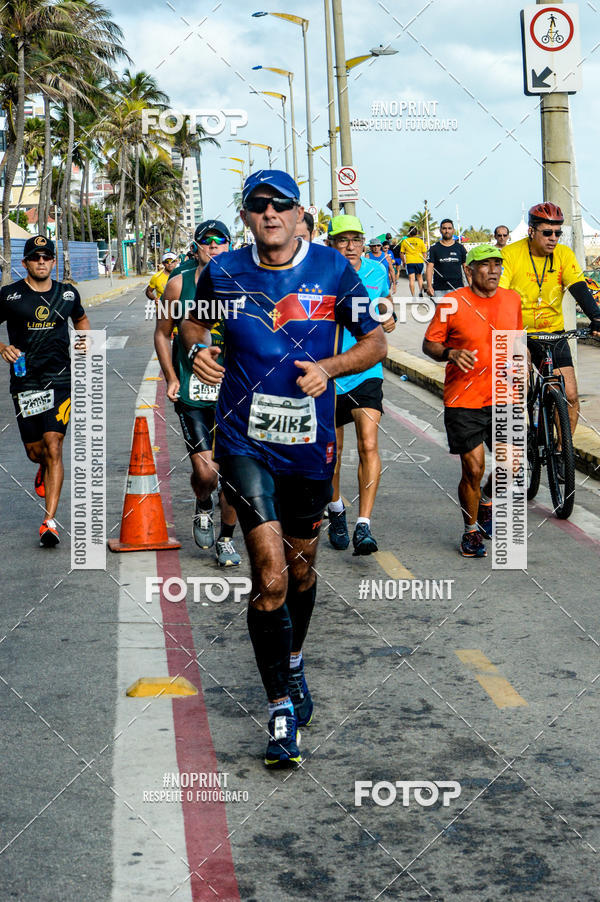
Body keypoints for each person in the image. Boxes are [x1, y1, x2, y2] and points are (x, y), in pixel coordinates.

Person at [181, 169, 386, 766]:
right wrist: (198, 347)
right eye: (258, 205)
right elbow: (192, 319)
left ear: (300, 214)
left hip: (309, 445)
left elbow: (375, 342)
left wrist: (331, 367)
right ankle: (278, 711)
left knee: (300, 571)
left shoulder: (332, 270)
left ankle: (293, 661)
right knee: (268, 574)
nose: (269, 214)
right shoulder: (222, 272)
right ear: (245, 216)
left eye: (281, 205)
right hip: (245, 442)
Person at [423, 244, 523, 557]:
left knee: (511, 464)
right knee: (474, 469)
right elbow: (429, 344)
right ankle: (470, 532)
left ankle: (487, 502)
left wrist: (524, 371)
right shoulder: (452, 302)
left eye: (497, 264)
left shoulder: (512, 299)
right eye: (485, 264)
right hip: (463, 399)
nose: (493, 270)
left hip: (505, 396)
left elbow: (518, 341)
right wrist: (450, 353)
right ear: (469, 270)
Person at [154, 220, 241, 567]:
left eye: (222, 241)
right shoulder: (178, 285)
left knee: (233, 472)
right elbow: (162, 334)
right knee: (207, 472)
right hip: (192, 391)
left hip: (235, 393)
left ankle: (226, 539)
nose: (215, 246)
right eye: (208, 241)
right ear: (197, 246)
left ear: (230, 246)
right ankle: (204, 502)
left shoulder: (244, 285)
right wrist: (171, 377)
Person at [0, 236, 91, 546]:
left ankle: (49, 521)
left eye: (46, 257)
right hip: (26, 382)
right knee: (35, 451)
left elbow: (80, 319)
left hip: (61, 379)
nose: (41, 262)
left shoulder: (67, 294)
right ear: (24, 262)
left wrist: (83, 350)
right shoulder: (10, 296)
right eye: (35, 257)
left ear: (54, 262)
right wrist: (3, 348)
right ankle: (43, 468)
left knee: (54, 444)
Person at [499, 202, 600, 444]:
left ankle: (562, 453)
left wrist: (596, 317)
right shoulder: (510, 254)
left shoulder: (564, 255)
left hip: (553, 332)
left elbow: (579, 288)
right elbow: (500, 297)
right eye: (547, 232)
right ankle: (521, 433)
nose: (553, 238)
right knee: (518, 385)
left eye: (558, 233)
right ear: (531, 231)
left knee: (571, 396)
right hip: (518, 332)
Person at [326, 214, 396, 554]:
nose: (350, 245)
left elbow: (383, 302)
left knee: (368, 444)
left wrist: (387, 314)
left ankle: (364, 525)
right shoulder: (321, 273)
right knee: (332, 454)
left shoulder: (376, 270)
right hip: (329, 372)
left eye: (356, 239)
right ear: (331, 244)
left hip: (366, 370)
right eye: (343, 239)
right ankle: (336, 509)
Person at [426, 219, 468, 298]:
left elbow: (466, 268)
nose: (447, 231)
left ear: (453, 230)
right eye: (444, 228)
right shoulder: (434, 248)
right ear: (440, 230)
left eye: (449, 228)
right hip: (439, 289)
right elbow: (429, 267)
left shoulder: (460, 248)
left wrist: (471, 286)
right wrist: (429, 286)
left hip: (458, 288)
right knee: (441, 310)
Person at [400, 227, 428, 298]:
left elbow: (401, 253)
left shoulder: (405, 241)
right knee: (420, 278)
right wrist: (424, 260)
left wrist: (403, 261)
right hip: (419, 261)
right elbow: (424, 252)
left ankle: (413, 296)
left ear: (409, 233)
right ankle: (420, 292)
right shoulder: (420, 241)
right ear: (416, 233)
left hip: (410, 261)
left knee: (411, 279)